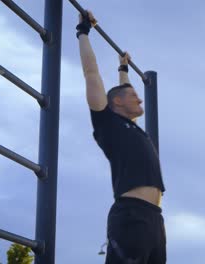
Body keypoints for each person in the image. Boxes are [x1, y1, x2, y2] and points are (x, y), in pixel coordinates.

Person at [76, 10, 167, 264]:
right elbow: (91, 74)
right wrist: (83, 32)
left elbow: (124, 94)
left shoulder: (131, 127)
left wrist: (123, 68)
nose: (139, 98)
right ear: (116, 101)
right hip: (131, 217)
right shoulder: (108, 124)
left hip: (155, 220)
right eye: (133, 95)